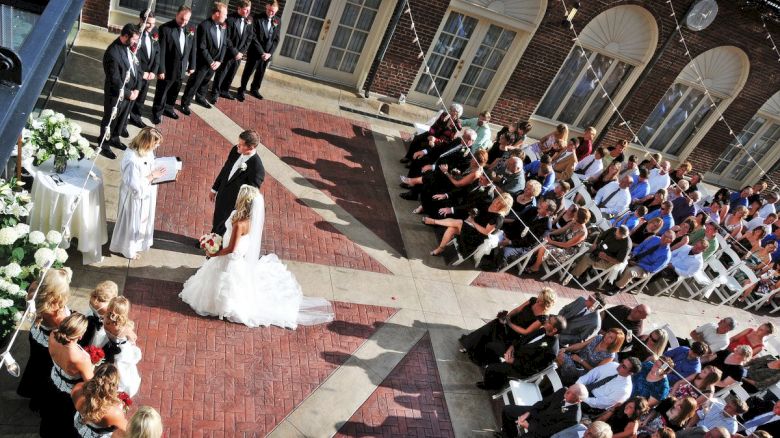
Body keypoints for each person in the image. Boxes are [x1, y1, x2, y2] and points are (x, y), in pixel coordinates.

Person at [180, 185, 334, 329]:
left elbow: (232, 249)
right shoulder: (241, 217)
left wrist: (213, 253)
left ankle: (221, 307)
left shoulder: (240, 224)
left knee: (223, 281)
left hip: (231, 257)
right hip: (232, 252)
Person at [17, 269, 71, 412]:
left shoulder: (35, 290)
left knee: (35, 365)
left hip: (36, 334)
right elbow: (63, 327)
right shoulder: (55, 312)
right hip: (48, 343)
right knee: (45, 372)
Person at [109, 127, 166, 259]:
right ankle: (128, 250)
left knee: (141, 221)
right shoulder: (132, 160)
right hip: (135, 198)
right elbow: (134, 185)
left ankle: (136, 244)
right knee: (132, 223)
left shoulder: (145, 151)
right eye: (155, 143)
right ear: (147, 143)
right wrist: (152, 176)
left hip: (146, 192)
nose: (157, 146)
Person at [459, 288, 556, 365]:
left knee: (496, 336)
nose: (538, 300)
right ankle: (469, 345)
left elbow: (525, 332)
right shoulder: (533, 300)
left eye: (541, 300)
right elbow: (517, 310)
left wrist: (509, 324)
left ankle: (477, 352)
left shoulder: (542, 318)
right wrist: (507, 317)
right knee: (492, 325)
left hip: (515, 334)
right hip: (510, 323)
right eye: (539, 297)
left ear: (546, 303)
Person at [41, 313, 94, 438]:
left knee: (51, 412)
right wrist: (93, 366)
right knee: (63, 420)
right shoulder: (81, 358)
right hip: (68, 394)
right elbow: (90, 382)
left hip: (54, 380)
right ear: (80, 336)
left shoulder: (53, 335)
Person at [479, 315, 566, 390]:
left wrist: (513, 361)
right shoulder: (543, 330)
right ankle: (496, 374)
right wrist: (511, 347)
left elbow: (532, 367)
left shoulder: (551, 350)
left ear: (554, 330)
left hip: (520, 368)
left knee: (490, 368)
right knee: (491, 345)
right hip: (516, 352)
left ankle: (490, 385)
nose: (546, 321)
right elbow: (525, 338)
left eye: (549, 322)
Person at [210, 129, 265, 235]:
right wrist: (214, 188)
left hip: (234, 202)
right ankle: (212, 238)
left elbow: (250, 194)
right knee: (217, 219)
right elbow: (225, 169)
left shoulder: (257, 168)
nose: (237, 146)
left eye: (241, 145)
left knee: (225, 224)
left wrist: (239, 209)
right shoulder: (235, 151)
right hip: (222, 193)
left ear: (251, 147)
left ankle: (218, 244)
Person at [99, 23, 141, 160]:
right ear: (126, 36)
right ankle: (103, 144)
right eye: (134, 39)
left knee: (121, 119)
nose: (136, 42)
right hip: (116, 95)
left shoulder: (127, 48)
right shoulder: (113, 53)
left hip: (129, 93)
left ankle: (115, 138)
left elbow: (134, 68)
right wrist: (129, 94)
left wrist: (137, 88)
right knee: (110, 120)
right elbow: (115, 80)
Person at [424, 192, 512, 256]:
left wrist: (473, 222)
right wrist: (473, 216)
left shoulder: (498, 218)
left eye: (499, 204)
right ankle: (441, 248)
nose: (495, 203)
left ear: (502, 208)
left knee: (459, 222)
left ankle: (434, 221)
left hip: (477, 237)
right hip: (472, 227)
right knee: (451, 229)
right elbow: (478, 213)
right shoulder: (489, 204)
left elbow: (485, 232)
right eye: (497, 200)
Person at [151, 5, 197, 125]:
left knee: (175, 90)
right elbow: (161, 51)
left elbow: (193, 49)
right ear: (177, 14)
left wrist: (192, 65)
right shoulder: (165, 29)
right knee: (162, 92)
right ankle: (157, 112)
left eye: (186, 20)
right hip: (168, 69)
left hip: (181, 69)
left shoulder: (191, 29)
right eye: (182, 19)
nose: (184, 22)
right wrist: (160, 70)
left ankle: (168, 108)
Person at [180, 2, 228, 113]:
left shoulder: (223, 26)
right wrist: (211, 61)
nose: (226, 17)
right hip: (203, 63)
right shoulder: (204, 26)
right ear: (216, 13)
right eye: (224, 14)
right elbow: (202, 47)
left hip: (215, 63)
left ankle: (200, 97)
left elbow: (224, 44)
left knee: (205, 82)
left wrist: (219, 60)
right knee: (194, 83)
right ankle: (185, 103)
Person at [498, 383, 587, 438]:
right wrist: (528, 413)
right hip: (536, 413)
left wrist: (529, 426)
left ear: (578, 400)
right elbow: (543, 403)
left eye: (571, 393)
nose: (567, 392)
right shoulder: (564, 390)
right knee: (507, 410)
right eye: (569, 389)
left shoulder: (573, 419)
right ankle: (509, 434)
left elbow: (550, 432)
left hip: (541, 429)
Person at [211, 0, 254, 102]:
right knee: (222, 73)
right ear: (239, 8)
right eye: (245, 10)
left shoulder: (250, 20)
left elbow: (249, 37)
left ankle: (225, 90)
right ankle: (215, 92)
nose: (247, 12)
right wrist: (235, 52)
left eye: (249, 10)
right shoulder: (229, 19)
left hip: (239, 54)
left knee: (232, 73)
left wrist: (242, 52)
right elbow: (226, 37)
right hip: (228, 53)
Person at [237, 0, 280, 100]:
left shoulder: (278, 20)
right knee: (248, 71)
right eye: (269, 10)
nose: (270, 13)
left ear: (276, 11)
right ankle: (242, 89)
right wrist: (262, 52)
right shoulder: (256, 18)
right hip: (255, 52)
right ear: (266, 6)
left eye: (273, 11)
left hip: (267, 54)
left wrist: (269, 53)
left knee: (261, 72)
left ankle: (255, 89)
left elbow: (276, 39)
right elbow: (253, 37)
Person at [71, 363, 128, 437]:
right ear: (113, 387)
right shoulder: (115, 413)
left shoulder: (77, 388)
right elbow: (126, 428)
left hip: (79, 424)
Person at [610, 230, 674, 294]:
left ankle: (617, 287)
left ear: (671, 241)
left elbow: (653, 269)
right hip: (635, 257)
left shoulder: (666, 255)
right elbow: (640, 246)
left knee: (630, 272)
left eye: (667, 237)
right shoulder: (654, 238)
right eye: (664, 235)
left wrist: (638, 264)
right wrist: (634, 254)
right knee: (618, 259)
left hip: (644, 268)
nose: (664, 237)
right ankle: (610, 279)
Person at [557, 328, 623, 385]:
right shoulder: (598, 337)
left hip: (584, 372)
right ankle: (562, 377)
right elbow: (581, 345)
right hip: (575, 360)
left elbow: (594, 371)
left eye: (611, 337)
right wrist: (565, 349)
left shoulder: (610, 355)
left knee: (563, 361)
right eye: (608, 333)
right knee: (559, 353)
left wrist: (581, 361)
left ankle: (564, 379)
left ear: (615, 342)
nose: (607, 336)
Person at [128, 10, 160, 129]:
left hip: (148, 75)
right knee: (130, 99)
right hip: (136, 74)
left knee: (141, 98)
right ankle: (122, 122)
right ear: (141, 20)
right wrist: (142, 73)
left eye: (153, 23)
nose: (151, 26)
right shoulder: (134, 33)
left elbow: (157, 52)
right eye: (148, 23)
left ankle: (136, 117)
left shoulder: (155, 32)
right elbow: (131, 57)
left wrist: (154, 71)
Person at [577, 358, 642, 413]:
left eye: (624, 366)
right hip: (586, 389)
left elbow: (602, 403)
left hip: (593, 403)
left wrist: (583, 398)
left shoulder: (624, 389)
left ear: (630, 373)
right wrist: (578, 384)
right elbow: (592, 374)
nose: (620, 365)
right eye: (622, 362)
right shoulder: (612, 365)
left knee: (571, 401)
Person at [80, 280, 119, 348]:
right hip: (90, 325)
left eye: (102, 300)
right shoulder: (93, 302)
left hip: (102, 334)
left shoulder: (113, 316)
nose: (96, 301)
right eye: (95, 297)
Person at [681, 396, 747, 437]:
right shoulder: (716, 405)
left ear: (736, 413)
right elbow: (698, 415)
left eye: (730, 407)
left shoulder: (732, 427)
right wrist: (687, 427)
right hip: (693, 426)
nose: (726, 406)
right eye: (728, 404)